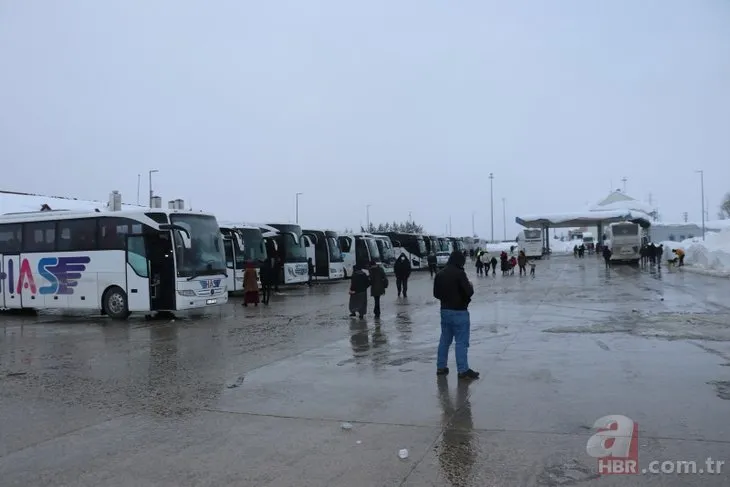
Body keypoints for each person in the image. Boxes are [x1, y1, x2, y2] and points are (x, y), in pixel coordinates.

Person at [433, 251, 479, 380]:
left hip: (445, 311)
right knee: (461, 342)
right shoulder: (460, 273)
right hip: (459, 312)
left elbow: (436, 294)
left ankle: (441, 367)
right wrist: (470, 286)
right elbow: (468, 292)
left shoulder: (440, 274)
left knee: (444, 340)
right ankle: (462, 370)